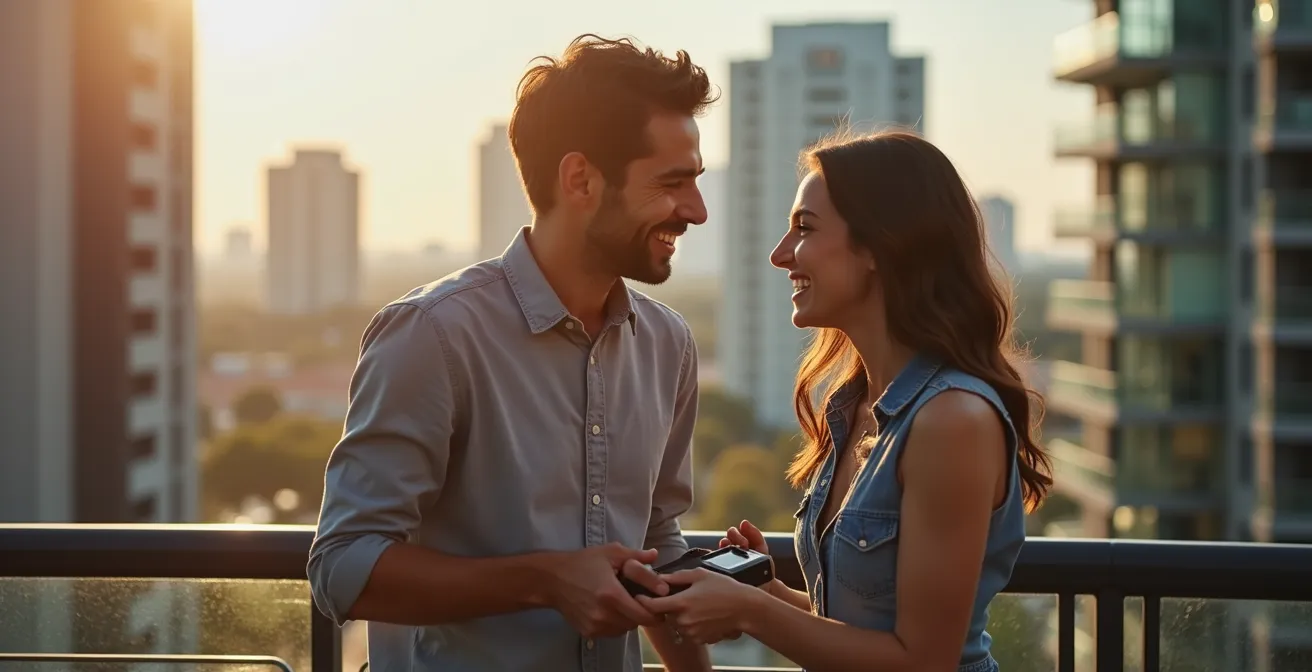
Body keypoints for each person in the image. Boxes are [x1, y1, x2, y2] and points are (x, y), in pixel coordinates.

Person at [307, 34, 718, 672]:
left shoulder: (670, 344)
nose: (696, 210)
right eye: (673, 182)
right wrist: (546, 580)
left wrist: (715, 584)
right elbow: (344, 566)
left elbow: (656, 544)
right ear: (580, 178)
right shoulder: (432, 334)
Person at [637, 128, 1053, 672]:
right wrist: (760, 596)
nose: (780, 255)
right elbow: (864, 630)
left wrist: (753, 612)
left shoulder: (952, 420)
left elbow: (922, 662)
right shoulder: (853, 408)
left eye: (804, 229)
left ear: (881, 245)